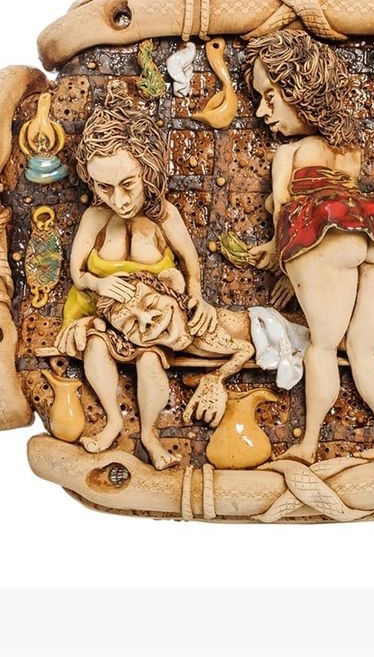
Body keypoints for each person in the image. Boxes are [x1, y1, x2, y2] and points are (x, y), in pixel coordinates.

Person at [245, 29, 374, 464]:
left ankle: (308, 446)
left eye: (270, 96)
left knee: (322, 345)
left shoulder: (290, 153)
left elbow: (283, 212)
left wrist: (283, 260)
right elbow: (346, 194)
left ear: (301, 90)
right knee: (363, 348)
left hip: (326, 235)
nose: (262, 111)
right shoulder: (350, 149)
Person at [59, 80, 218, 467]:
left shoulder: (165, 217)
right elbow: (77, 272)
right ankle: (113, 420)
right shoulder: (96, 217)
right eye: (105, 187)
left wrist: (196, 295)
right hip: (103, 316)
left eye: (128, 184)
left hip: (149, 323)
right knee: (95, 346)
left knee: (149, 362)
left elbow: (190, 264)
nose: (120, 199)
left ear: (147, 169)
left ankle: (149, 434)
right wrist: (98, 282)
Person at [57, 270, 254, 465]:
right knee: (131, 353)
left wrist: (216, 378)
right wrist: (92, 320)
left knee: (149, 357)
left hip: (265, 328)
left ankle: (149, 435)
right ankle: (118, 423)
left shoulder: (203, 330)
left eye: (150, 303)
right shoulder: (164, 336)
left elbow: (246, 349)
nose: (146, 320)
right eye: (132, 325)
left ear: (170, 288)